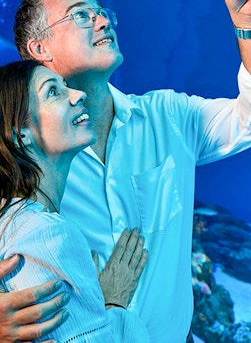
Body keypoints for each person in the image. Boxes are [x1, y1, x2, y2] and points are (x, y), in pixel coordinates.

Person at [4, 0, 251, 342]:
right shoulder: (14, 150)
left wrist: (249, 25)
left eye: (101, 11)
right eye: (81, 15)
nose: (103, 20)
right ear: (39, 49)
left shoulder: (170, 116)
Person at [0, 60, 150, 342]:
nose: (77, 94)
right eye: (53, 92)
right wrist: (113, 303)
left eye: (65, 86)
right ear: (20, 134)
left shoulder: (10, 219)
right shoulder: (45, 233)